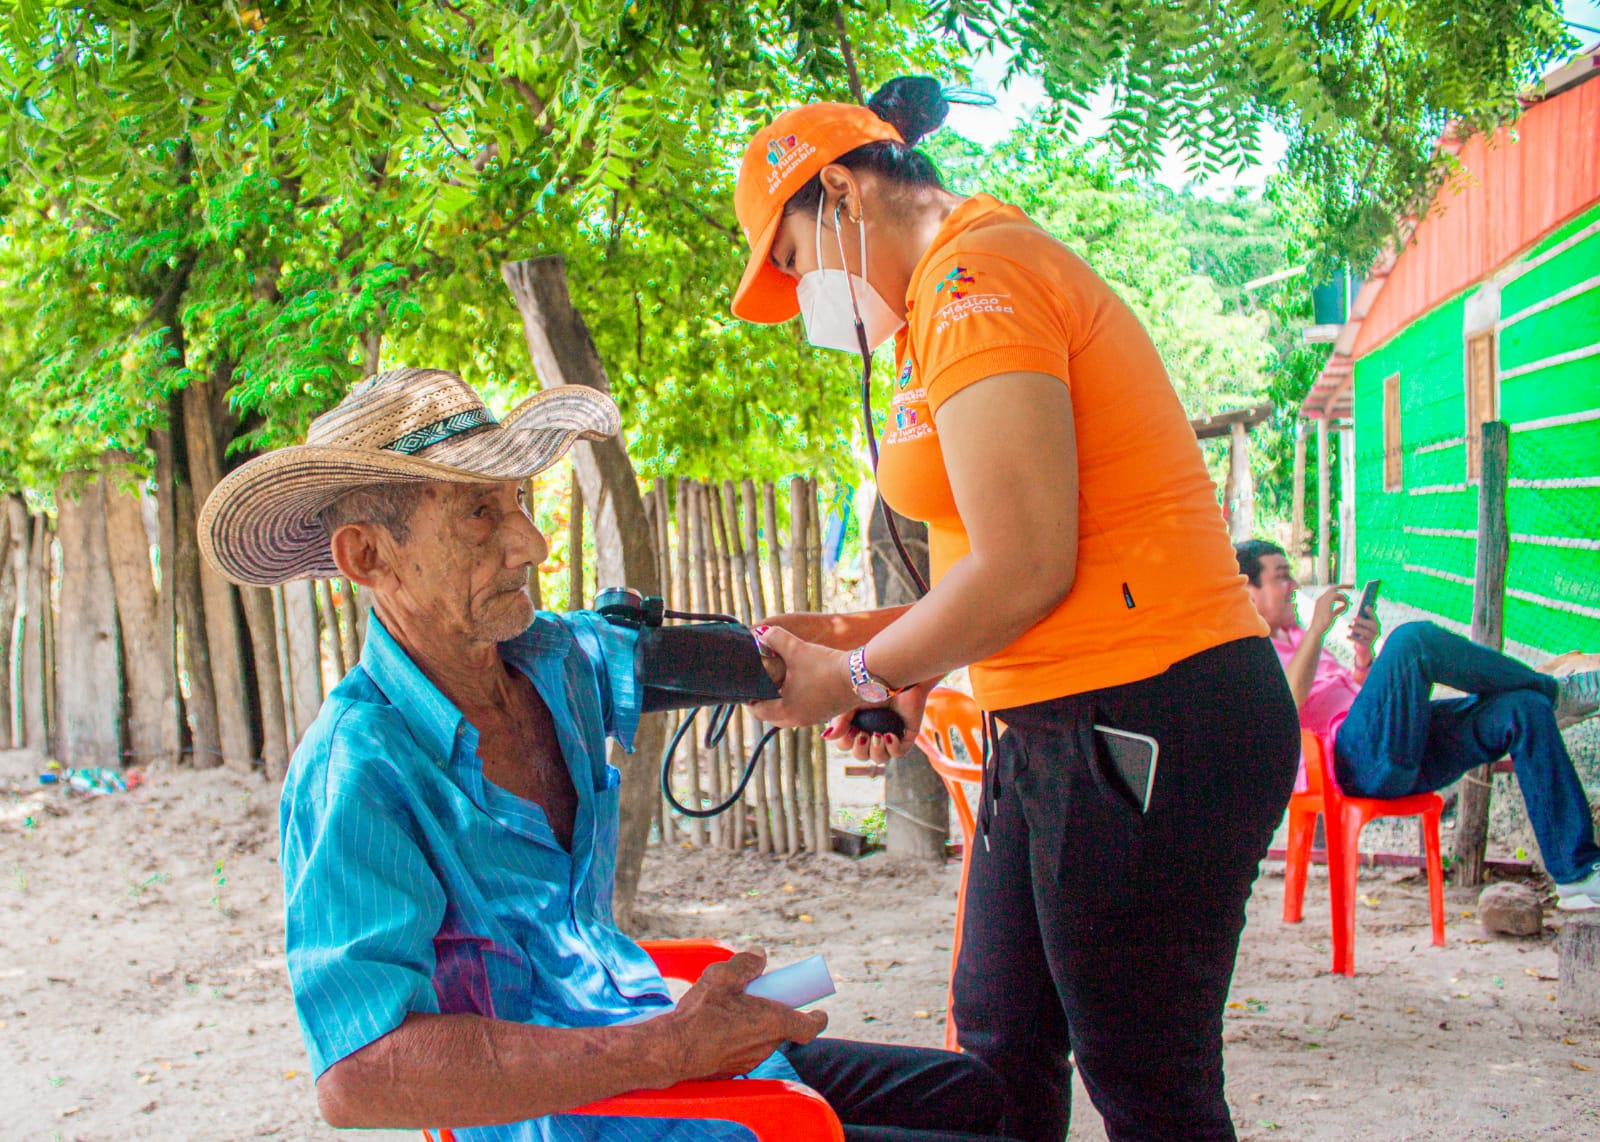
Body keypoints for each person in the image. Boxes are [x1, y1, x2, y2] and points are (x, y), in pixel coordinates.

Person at [197, 368, 1015, 1142]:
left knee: (978, 1100)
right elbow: (358, 1077)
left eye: (517, 501)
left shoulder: (554, 661)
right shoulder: (358, 772)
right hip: (577, 1109)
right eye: (479, 514)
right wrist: (669, 1049)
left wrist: (887, 671)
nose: (532, 543)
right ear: (368, 556)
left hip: (646, 1040)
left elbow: (762, 659)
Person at [728, 78, 1302, 1141]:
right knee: (995, 1052)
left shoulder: (979, 277)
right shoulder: (934, 313)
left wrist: (852, 677)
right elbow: (977, 572)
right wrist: (873, 650)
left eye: (794, 258)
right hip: (1051, 721)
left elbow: (1027, 565)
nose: (802, 294)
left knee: (1146, 1086)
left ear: (843, 191)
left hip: (1150, 706)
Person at [1235, 538, 1600, 910]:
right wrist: (1317, 631)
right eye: (1281, 577)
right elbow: (1286, 706)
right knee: (1412, 640)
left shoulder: (1295, 636)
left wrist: (1363, 659)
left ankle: (1577, 876)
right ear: (1249, 591)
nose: (1294, 586)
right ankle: (1558, 692)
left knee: (1524, 709)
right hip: (1352, 766)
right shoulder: (1248, 650)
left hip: (1392, 749)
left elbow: (1348, 698)